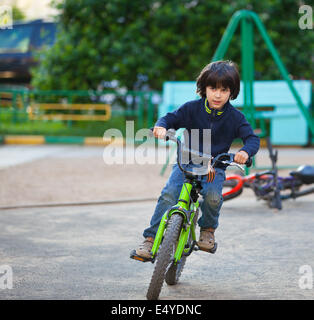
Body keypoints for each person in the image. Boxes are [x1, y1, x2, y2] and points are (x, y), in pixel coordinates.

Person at [136, 60, 260, 258]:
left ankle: (207, 230)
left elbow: (252, 139)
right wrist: (161, 127)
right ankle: (150, 239)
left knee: (212, 197)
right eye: (213, 88)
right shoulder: (191, 109)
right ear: (204, 88)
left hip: (214, 166)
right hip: (186, 162)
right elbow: (169, 119)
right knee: (169, 194)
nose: (218, 95)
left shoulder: (236, 118)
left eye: (224, 90)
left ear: (232, 92)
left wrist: (245, 152)